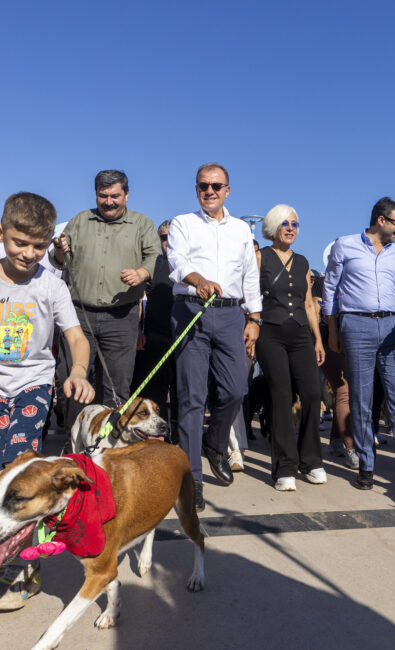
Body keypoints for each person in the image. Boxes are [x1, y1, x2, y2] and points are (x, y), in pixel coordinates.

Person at [0, 192, 94, 610]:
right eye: (19, 242)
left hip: (33, 384)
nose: (29, 253)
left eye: (39, 245)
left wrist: (79, 371)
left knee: (22, 462)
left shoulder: (52, 285)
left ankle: (21, 565)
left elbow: (74, 337)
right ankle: (2, 541)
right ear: (1, 234)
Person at [322, 197, 395, 499]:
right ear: (381, 221)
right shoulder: (344, 246)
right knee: (361, 398)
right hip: (355, 325)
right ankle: (366, 466)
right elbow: (331, 288)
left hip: (393, 328)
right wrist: (332, 329)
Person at [167, 163, 261, 511]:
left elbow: (250, 276)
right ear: (196, 189)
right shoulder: (183, 223)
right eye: (203, 186)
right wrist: (197, 280)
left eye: (216, 186)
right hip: (191, 309)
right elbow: (174, 259)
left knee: (237, 388)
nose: (209, 191)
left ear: (228, 191)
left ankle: (216, 443)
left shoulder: (240, 230)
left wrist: (255, 318)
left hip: (231, 314)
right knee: (191, 397)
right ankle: (192, 479)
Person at [51, 170, 158, 416]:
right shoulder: (79, 221)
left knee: (117, 385)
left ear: (127, 195)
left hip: (122, 318)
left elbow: (155, 256)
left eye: (115, 196)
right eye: (103, 196)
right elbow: (59, 261)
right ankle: (74, 444)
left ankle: (108, 446)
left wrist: (142, 273)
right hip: (79, 316)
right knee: (74, 381)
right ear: (96, 195)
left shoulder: (143, 224)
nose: (108, 201)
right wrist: (59, 249)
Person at [254, 204, 325, 491]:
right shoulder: (261, 257)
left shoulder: (304, 261)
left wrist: (317, 339)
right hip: (269, 334)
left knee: (311, 394)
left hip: (300, 336)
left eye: (295, 224)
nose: (291, 229)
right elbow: (251, 295)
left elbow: (309, 303)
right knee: (281, 396)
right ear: (273, 227)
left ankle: (310, 461)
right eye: (285, 224)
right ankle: (284, 466)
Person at [132, 220, 178, 441]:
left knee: (182, 392)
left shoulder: (189, 264)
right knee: (156, 390)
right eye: (164, 237)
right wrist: (139, 331)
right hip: (155, 336)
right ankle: (156, 437)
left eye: (172, 237)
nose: (168, 242)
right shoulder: (155, 264)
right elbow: (141, 299)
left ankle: (178, 438)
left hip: (183, 338)